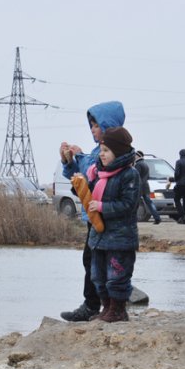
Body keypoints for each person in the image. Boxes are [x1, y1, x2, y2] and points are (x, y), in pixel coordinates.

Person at [59, 100, 125, 322]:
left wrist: (79, 156)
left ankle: (98, 305)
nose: (92, 130)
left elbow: (95, 170)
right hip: (93, 215)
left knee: (101, 261)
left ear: (107, 125)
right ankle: (100, 304)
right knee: (92, 260)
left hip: (104, 216)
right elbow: (80, 177)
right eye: (91, 126)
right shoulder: (98, 152)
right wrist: (69, 160)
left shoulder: (112, 152)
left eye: (95, 125)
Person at [85, 127, 140, 322]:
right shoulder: (98, 174)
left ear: (119, 152)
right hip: (99, 236)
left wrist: (101, 206)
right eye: (101, 150)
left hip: (120, 237)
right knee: (97, 275)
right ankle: (106, 307)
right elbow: (87, 196)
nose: (102, 154)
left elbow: (128, 204)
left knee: (117, 274)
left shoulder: (129, 175)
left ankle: (118, 309)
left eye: (107, 150)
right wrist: (84, 185)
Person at [135, 150, 161, 224]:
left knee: (135, 203)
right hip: (146, 186)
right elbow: (148, 176)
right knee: (149, 202)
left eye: (135, 155)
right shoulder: (145, 164)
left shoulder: (138, 165)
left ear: (138, 156)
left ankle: (132, 218)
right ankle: (157, 217)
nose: (134, 157)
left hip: (139, 186)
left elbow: (137, 177)